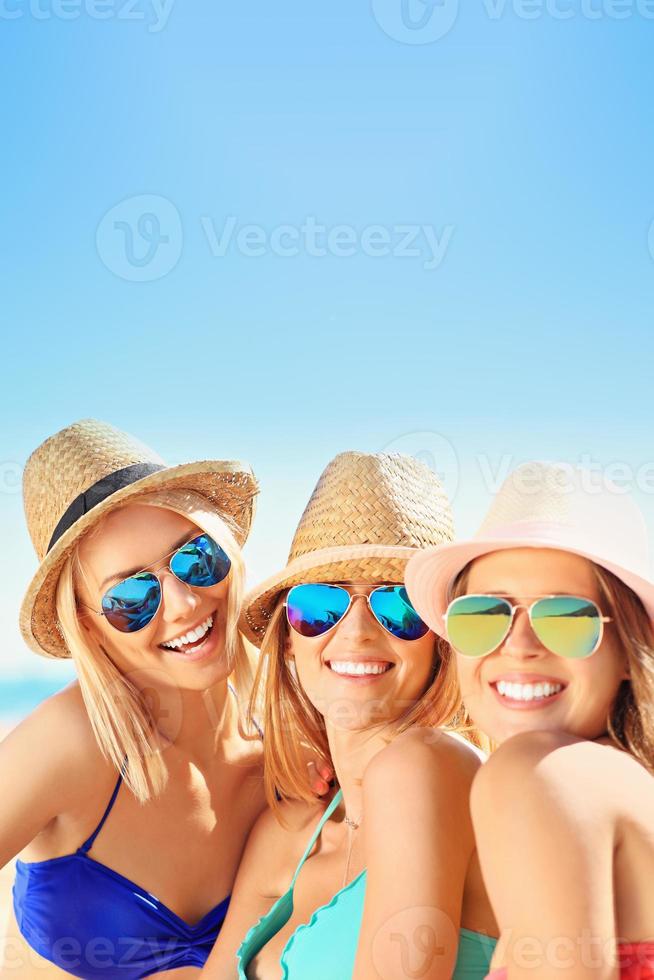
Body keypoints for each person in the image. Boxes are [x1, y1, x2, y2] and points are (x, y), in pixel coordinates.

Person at [1, 418, 327, 979]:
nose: (182, 603)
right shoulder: (72, 742)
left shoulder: (293, 743)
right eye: (131, 594)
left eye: (195, 559)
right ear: (86, 622)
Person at [202, 451, 499, 980]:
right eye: (320, 606)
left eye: (398, 606)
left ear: (441, 642)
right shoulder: (288, 832)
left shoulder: (430, 769)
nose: (358, 631)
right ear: (289, 639)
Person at [406, 461, 654, 980]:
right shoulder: (625, 785)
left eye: (566, 618)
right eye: (483, 614)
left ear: (629, 651)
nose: (519, 646)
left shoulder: (537, 772)